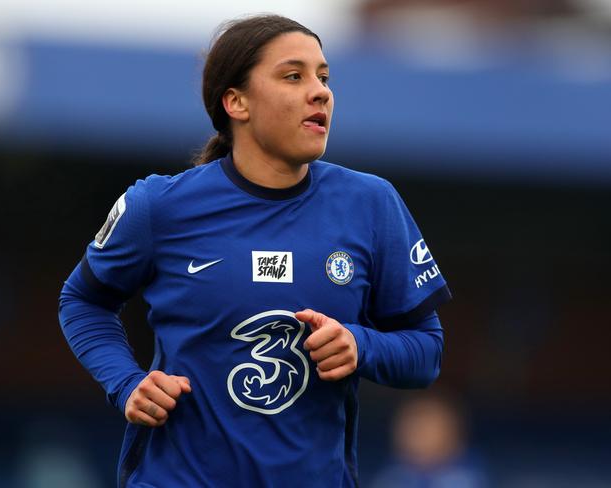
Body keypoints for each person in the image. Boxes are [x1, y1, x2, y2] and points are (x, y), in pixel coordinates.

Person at [58, 14, 451, 488]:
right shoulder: (158, 206)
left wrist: (360, 344)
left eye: (323, 77)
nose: (320, 91)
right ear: (236, 102)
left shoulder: (371, 204)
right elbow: (82, 301)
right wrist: (126, 383)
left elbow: (426, 351)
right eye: (293, 76)